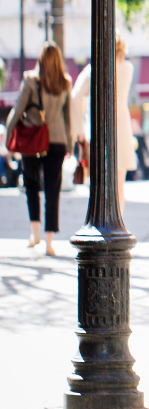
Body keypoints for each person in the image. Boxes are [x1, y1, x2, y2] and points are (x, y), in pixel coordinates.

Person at [10, 42, 73, 256]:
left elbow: (18, 110)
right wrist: (70, 144)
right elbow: (68, 118)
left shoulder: (31, 80)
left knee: (32, 184)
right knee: (53, 189)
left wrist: (9, 134)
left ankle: (34, 232)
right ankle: (49, 242)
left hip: (33, 140)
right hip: (57, 140)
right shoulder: (65, 83)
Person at [72, 36, 137, 214]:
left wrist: (81, 127)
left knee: (100, 181)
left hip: (100, 128)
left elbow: (75, 96)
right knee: (119, 183)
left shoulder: (94, 70)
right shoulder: (128, 68)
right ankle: (119, 221)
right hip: (122, 126)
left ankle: (101, 218)